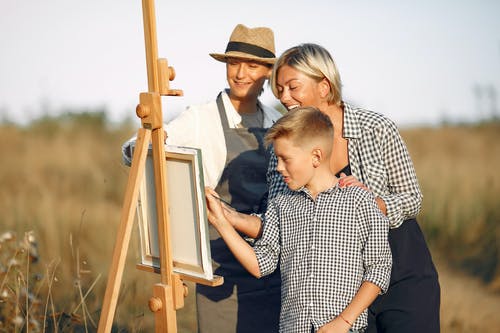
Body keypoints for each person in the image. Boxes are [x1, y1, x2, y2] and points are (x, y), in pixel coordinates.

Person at [228, 43, 439, 332]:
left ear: (324, 87)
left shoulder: (376, 128)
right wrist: (230, 218)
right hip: (340, 291)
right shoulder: (287, 150)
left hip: (402, 272)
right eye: (279, 90)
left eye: (293, 87)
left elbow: (412, 198)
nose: (284, 98)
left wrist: (368, 204)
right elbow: (278, 221)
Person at [122, 24, 282, 333]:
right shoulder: (201, 117)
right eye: (233, 63)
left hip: (273, 263)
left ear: (267, 72)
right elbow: (140, 146)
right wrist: (144, 145)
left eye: (252, 65)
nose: (240, 73)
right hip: (220, 265)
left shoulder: (280, 122)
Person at [205, 106, 392, 333]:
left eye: (285, 159)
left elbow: (379, 268)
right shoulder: (280, 205)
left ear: (316, 156)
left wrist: (343, 322)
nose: (279, 167)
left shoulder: (360, 201)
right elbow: (260, 265)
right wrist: (222, 224)